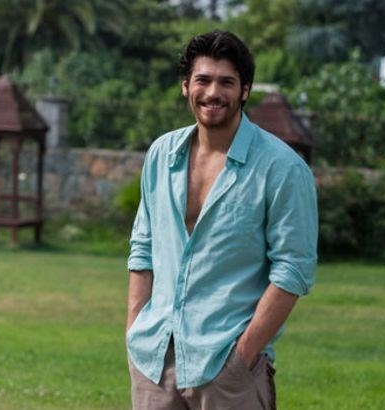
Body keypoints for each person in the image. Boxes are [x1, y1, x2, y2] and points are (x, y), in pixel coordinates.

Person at [125, 30, 318, 410]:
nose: (213, 92)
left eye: (226, 82)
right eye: (203, 80)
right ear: (185, 86)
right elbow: (142, 246)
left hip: (227, 367)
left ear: (245, 90)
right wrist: (134, 330)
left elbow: (294, 269)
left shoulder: (282, 168)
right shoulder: (161, 155)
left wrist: (243, 355)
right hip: (154, 361)